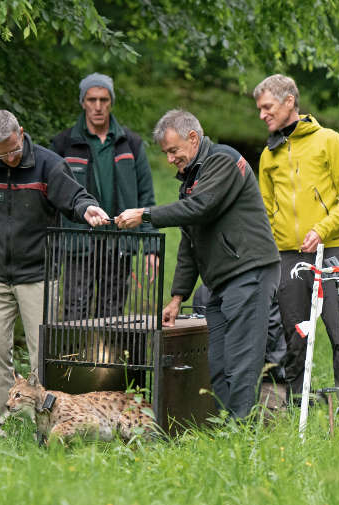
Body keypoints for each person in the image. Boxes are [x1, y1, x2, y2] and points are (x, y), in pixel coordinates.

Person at [115, 110, 280, 419]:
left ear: (193, 138)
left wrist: (145, 215)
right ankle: (227, 427)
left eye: (173, 151)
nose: (170, 159)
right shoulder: (191, 181)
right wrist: (178, 297)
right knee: (217, 363)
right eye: (165, 153)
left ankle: (242, 434)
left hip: (249, 271)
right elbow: (189, 244)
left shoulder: (223, 160)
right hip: (219, 282)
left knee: (240, 362)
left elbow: (200, 208)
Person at [0, 109, 110, 437]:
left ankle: (47, 426)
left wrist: (87, 208)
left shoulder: (48, 164)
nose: (10, 158)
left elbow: (74, 197)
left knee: (42, 356)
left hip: (38, 276)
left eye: (14, 149)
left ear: (21, 133)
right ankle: (1, 423)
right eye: (2, 153)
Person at [253, 74, 339, 398]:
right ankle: (296, 415)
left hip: (330, 252)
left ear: (289, 101)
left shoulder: (328, 140)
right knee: (295, 340)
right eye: (259, 109)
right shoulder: (268, 155)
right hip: (288, 257)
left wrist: (321, 229)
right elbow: (264, 210)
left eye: (267, 107)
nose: (262, 115)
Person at [50, 73, 158, 319]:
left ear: (111, 102)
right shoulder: (64, 143)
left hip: (119, 240)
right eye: (91, 100)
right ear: (82, 102)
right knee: (75, 311)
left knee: (113, 313)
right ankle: (74, 358)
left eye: (103, 99)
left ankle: (109, 358)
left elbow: (146, 198)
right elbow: (53, 198)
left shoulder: (130, 143)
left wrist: (152, 248)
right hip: (78, 241)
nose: (98, 107)